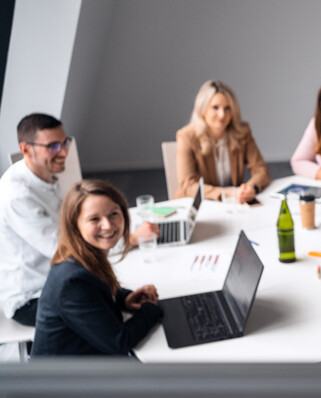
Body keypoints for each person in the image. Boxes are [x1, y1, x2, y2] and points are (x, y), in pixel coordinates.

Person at [0, 113, 155, 326]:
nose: (63, 152)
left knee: (133, 292)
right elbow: (65, 250)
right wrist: (124, 239)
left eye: (65, 143)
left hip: (66, 278)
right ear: (26, 149)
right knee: (124, 319)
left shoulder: (44, 173)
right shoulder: (17, 195)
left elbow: (73, 229)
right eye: (53, 146)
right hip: (33, 297)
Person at [31, 180, 163, 356]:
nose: (108, 225)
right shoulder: (73, 281)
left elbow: (96, 289)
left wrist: (124, 298)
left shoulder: (84, 255)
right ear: (75, 225)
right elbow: (120, 341)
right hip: (66, 380)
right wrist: (152, 309)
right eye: (94, 219)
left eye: (114, 214)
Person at [176, 80, 270, 202]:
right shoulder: (186, 137)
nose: (222, 115)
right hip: (199, 205)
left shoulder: (242, 132)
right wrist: (230, 193)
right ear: (202, 109)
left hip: (233, 204)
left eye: (227, 108)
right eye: (215, 108)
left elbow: (261, 170)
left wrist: (250, 188)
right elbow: (188, 186)